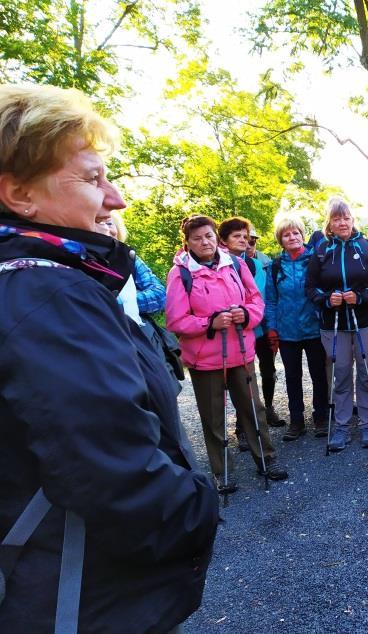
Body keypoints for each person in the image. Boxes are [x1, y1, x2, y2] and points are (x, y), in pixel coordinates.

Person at [0, 84, 218, 631]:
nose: (116, 198)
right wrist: (197, 511)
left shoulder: (46, 286)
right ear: (19, 195)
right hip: (72, 595)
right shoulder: (46, 297)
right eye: (92, 179)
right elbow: (110, 470)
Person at [166, 215, 288, 486]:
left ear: (215, 237)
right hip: (204, 359)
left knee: (253, 409)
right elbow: (175, 319)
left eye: (208, 236)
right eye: (196, 238)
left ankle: (267, 459)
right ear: (187, 243)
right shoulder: (181, 273)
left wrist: (245, 314)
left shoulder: (235, 263)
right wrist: (209, 322)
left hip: (241, 352)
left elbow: (256, 299)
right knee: (214, 417)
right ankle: (222, 473)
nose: (204, 242)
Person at [305, 198, 368, 451]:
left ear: (353, 220)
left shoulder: (366, 246)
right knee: (340, 373)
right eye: (336, 218)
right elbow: (310, 287)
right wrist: (327, 299)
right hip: (334, 321)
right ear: (329, 223)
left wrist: (361, 296)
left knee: (366, 370)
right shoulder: (321, 250)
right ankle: (341, 426)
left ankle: (367, 423)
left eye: (346, 218)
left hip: (367, 320)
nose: (342, 222)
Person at [266, 215, 330, 440]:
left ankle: (321, 417)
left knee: (318, 375)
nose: (292, 237)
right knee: (292, 377)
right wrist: (272, 329)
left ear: (303, 236)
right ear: (280, 240)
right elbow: (271, 301)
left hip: (314, 328)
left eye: (296, 233)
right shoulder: (275, 267)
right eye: (286, 234)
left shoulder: (316, 261)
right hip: (287, 332)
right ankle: (297, 420)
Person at [219, 216, 284, 428]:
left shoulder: (261, 264)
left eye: (250, 239)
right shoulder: (221, 265)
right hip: (237, 329)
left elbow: (268, 296)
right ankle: (242, 424)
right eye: (239, 237)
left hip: (263, 328)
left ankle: (268, 409)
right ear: (225, 241)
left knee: (268, 371)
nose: (247, 243)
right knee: (241, 377)